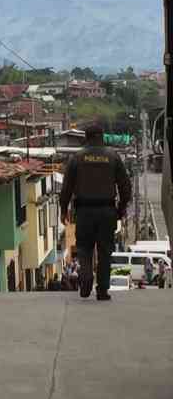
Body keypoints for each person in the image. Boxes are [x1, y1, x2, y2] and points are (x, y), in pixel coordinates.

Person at [60, 124, 132, 301]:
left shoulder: (77, 158)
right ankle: (102, 290)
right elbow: (125, 186)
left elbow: (66, 187)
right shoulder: (113, 156)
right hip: (107, 211)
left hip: (84, 211)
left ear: (86, 137)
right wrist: (121, 208)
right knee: (105, 252)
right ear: (102, 137)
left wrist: (63, 210)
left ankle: (86, 279)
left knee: (84, 248)